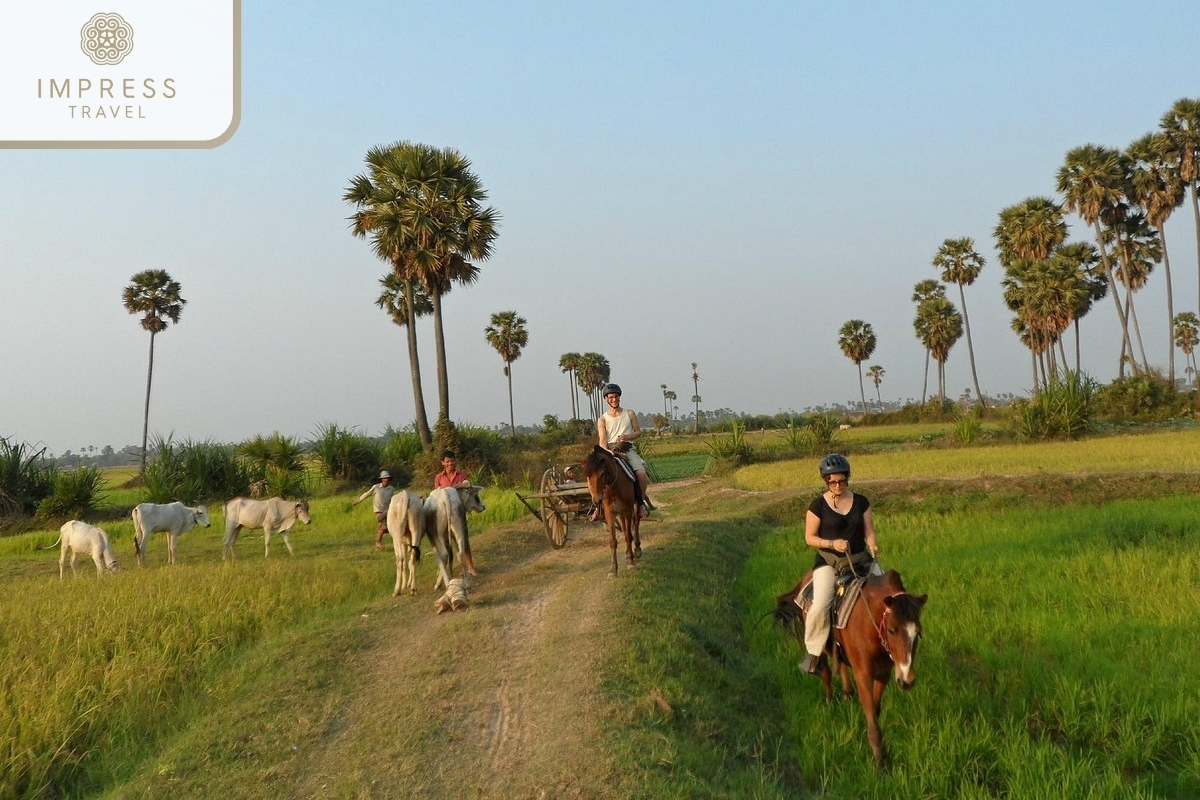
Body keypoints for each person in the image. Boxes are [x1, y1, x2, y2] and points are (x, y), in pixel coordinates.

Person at [800, 453, 883, 675]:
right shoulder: (817, 505)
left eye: (841, 480)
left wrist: (872, 544)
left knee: (887, 594)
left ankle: (890, 643)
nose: (837, 485)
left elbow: (869, 532)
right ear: (826, 481)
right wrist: (832, 543)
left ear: (847, 479)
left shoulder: (861, 502)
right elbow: (810, 538)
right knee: (820, 606)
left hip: (860, 559)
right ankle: (814, 654)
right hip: (830, 562)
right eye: (832, 481)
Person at [596, 383, 652, 518]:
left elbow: (638, 432)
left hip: (627, 449)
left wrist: (628, 436)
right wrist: (608, 452)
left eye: (615, 396)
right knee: (596, 474)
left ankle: (640, 503)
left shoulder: (630, 413)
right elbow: (602, 440)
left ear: (619, 397)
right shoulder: (602, 419)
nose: (613, 399)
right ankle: (598, 506)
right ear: (606, 399)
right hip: (610, 451)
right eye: (610, 397)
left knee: (641, 474)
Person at [353, 470, 395, 550]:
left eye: (387, 478)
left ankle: (377, 545)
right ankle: (378, 542)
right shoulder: (376, 487)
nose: (386, 480)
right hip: (378, 510)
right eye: (384, 478)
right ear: (381, 479)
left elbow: (393, 499)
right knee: (384, 525)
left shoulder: (391, 489)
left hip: (388, 511)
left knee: (387, 527)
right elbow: (367, 494)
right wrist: (358, 500)